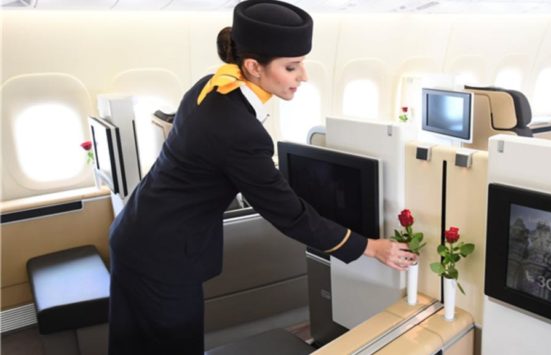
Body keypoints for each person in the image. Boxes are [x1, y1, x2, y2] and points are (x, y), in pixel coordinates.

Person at [107, 1, 417, 354]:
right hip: (161, 255)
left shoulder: (211, 86)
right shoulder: (239, 130)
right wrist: (371, 247)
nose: (304, 76)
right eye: (291, 66)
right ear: (253, 67)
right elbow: (290, 215)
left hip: (139, 233)